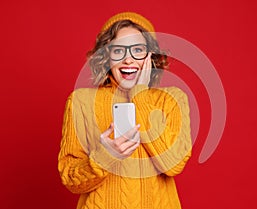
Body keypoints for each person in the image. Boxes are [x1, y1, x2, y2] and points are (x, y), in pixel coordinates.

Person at [58, 11, 192, 209]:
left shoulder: (172, 99)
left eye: (137, 50)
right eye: (118, 51)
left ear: (150, 56)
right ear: (106, 57)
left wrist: (140, 95)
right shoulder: (80, 102)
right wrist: (105, 156)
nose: (128, 60)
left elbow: (173, 165)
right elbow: (70, 179)